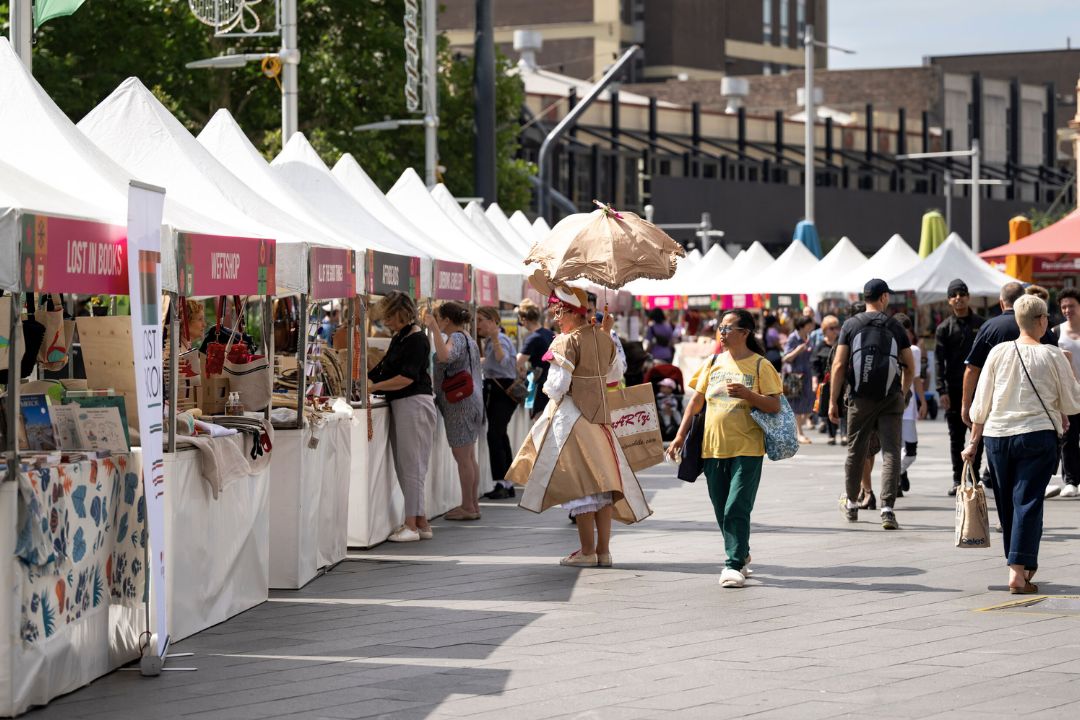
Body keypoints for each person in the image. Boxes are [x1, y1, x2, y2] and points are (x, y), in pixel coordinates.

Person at [508, 286, 652, 568]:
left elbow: (557, 386)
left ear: (569, 311)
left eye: (558, 311)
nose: (554, 316)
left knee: (583, 487)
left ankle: (587, 552)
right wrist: (604, 334)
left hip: (572, 419)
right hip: (600, 421)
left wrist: (550, 392)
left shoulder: (564, 342)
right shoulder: (604, 339)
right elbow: (615, 374)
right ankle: (603, 552)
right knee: (603, 486)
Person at [964, 294, 1080, 593]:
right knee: (1028, 501)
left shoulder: (999, 352)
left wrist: (973, 441)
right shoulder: (1053, 354)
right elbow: (1072, 402)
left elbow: (982, 401)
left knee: (1007, 503)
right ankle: (1018, 570)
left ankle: (1021, 565)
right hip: (1037, 434)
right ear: (1041, 321)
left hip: (998, 437)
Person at [667, 309, 783, 588]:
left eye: (728, 328)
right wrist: (679, 436)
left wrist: (748, 395)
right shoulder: (713, 363)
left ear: (744, 333)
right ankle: (741, 552)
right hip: (712, 448)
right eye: (720, 327)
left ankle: (732, 565)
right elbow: (695, 402)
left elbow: (775, 405)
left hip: (748, 448)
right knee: (721, 508)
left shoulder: (760, 365)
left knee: (736, 506)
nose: (721, 333)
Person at [829, 279, 916, 530]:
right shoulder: (895, 326)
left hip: (859, 397)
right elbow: (910, 365)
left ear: (864, 297)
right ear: (884, 297)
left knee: (856, 451)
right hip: (890, 397)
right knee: (891, 452)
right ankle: (887, 509)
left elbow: (838, 365)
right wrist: (902, 390)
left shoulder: (851, 325)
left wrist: (833, 401)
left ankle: (853, 505)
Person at [368, 292, 437, 542]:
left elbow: (406, 377)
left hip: (414, 404)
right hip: (406, 404)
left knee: (412, 466)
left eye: (389, 317)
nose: (386, 322)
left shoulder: (417, 339)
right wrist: (370, 379)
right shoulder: (402, 336)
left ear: (402, 313)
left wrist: (373, 386)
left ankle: (411, 525)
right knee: (408, 465)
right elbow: (385, 366)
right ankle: (421, 522)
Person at [962, 282, 1058, 431]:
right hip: (1039, 417)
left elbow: (972, 369)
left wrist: (966, 405)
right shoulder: (1041, 326)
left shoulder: (990, 327)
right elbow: (1057, 370)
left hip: (1000, 416)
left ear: (1001, 302)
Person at [425, 301, 485, 521]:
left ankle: (468, 506)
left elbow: (444, 357)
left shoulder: (457, 338)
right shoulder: (468, 338)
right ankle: (473, 505)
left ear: (446, 320)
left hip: (460, 404)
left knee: (463, 457)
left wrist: (432, 330)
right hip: (471, 401)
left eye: (438, 318)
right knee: (469, 456)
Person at [935, 279, 985, 496]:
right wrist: (941, 390)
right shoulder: (944, 328)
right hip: (954, 389)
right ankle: (958, 478)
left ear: (968, 297)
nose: (958, 298)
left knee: (978, 435)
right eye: (954, 295)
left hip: (981, 388)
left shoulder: (982, 324)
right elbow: (939, 361)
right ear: (949, 300)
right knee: (956, 437)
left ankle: (974, 477)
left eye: (962, 294)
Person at [476, 306, 519, 501]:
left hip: (502, 391)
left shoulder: (499, 339)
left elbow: (502, 361)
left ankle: (502, 482)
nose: (478, 325)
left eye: (481, 320)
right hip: (499, 389)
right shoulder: (495, 340)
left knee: (494, 435)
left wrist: (493, 337)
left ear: (493, 321)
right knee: (500, 435)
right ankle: (507, 482)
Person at [1050, 288, 1080, 497]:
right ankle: (1070, 481)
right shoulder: (1055, 333)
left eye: (1072, 306)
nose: (1067, 310)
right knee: (1068, 436)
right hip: (1067, 394)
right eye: (1064, 307)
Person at [893, 313, 928, 492]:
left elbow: (916, 379)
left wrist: (923, 402)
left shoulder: (913, 351)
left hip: (908, 406)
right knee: (894, 447)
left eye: (906, 332)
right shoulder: (888, 348)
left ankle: (896, 473)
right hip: (890, 405)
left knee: (911, 450)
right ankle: (895, 480)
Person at [517, 299, 555, 420]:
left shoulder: (533, 338)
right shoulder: (549, 333)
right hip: (551, 382)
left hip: (538, 384)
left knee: (538, 421)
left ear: (523, 319)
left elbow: (517, 362)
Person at [782, 316, 815, 444]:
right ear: (803, 325)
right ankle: (799, 433)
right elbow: (786, 358)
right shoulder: (793, 338)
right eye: (810, 323)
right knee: (794, 404)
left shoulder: (809, 337)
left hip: (807, 374)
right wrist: (797, 350)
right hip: (794, 375)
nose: (812, 326)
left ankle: (796, 431)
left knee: (809, 402)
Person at [810, 315, 841, 445]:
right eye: (832, 328)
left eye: (837, 328)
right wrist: (814, 380)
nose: (835, 331)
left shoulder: (841, 344)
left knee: (842, 405)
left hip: (840, 379)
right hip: (826, 381)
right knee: (829, 405)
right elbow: (814, 364)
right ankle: (832, 434)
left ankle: (844, 433)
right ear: (825, 330)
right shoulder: (820, 346)